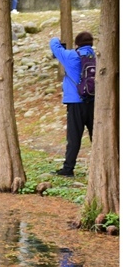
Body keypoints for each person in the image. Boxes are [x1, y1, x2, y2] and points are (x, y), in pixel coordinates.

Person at [50, 32, 96, 176]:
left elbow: (54, 46)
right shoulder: (96, 56)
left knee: (74, 137)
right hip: (94, 102)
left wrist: (56, 39)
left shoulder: (70, 56)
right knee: (96, 136)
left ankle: (68, 169)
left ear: (77, 44)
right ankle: (102, 165)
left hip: (75, 103)